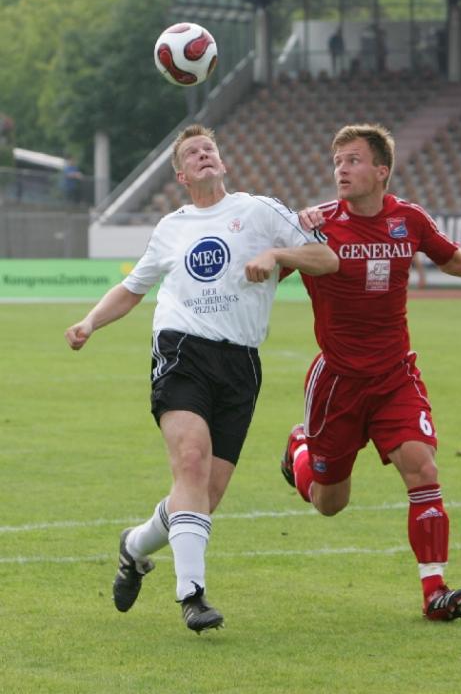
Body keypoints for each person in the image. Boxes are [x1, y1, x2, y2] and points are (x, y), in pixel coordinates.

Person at [64, 124, 338, 634]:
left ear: (222, 163)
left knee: (202, 497)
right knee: (189, 463)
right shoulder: (171, 227)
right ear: (181, 173)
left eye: (209, 148)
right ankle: (192, 595)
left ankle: (133, 547)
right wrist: (89, 322)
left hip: (241, 364)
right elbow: (132, 288)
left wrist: (279, 255)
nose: (204, 155)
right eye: (193, 152)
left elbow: (326, 259)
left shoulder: (260, 211)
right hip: (181, 350)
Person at [280, 123, 461, 622]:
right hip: (338, 382)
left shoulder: (409, 219)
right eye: (337, 162)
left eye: (352, 160)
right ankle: (301, 448)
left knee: (423, 469)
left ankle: (434, 592)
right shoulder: (316, 227)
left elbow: (449, 257)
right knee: (330, 503)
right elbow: (268, 271)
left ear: (381, 170)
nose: (341, 170)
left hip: (396, 375)